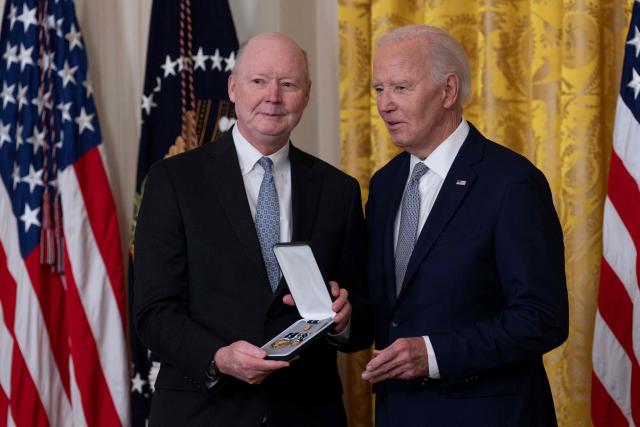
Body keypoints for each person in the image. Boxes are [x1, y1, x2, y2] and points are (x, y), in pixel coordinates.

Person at [134, 32, 371, 427]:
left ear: (307, 93)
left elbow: (363, 310)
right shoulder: (173, 180)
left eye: (289, 84)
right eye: (259, 81)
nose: (273, 97)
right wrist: (218, 357)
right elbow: (152, 312)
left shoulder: (339, 191)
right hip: (202, 412)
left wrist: (346, 320)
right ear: (233, 86)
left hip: (307, 413)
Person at [361, 25, 568, 426]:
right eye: (378, 89)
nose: (385, 105)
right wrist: (347, 315)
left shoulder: (511, 182)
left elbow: (542, 317)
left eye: (401, 88)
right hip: (400, 413)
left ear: (448, 91)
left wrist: (434, 355)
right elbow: (393, 309)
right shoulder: (385, 184)